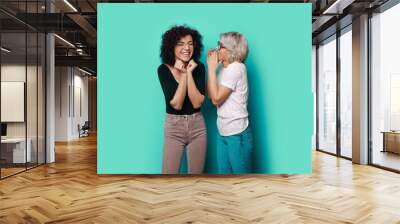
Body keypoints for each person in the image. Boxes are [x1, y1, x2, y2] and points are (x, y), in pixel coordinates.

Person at [158, 25, 207, 174]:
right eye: (181, 43)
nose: (187, 48)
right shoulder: (163, 69)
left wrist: (188, 73)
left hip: (197, 126)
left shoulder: (199, 67)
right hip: (174, 128)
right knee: (168, 176)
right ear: (171, 47)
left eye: (190, 43)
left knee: (196, 177)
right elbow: (176, 104)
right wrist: (184, 74)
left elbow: (197, 102)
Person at [206, 32, 253, 174]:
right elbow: (211, 95)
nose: (216, 49)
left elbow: (216, 99)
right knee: (224, 176)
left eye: (220, 46)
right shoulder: (222, 69)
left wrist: (211, 69)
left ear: (231, 50)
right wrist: (213, 70)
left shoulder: (237, 68)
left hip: (237, 134)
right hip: (223, 131)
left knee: (241, 180)